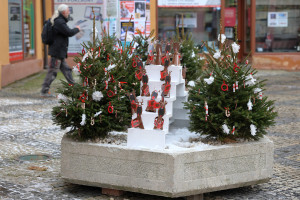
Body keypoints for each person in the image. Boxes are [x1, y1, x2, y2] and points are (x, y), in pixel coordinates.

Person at [41, 4, 80, 97]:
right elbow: (68, 32)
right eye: (68, 11)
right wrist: (77, 29)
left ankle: (74, 87)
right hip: (57, 51)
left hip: (59, 51)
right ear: (63, 12)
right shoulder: (59, 22)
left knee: (66, 70)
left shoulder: (59, 21)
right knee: (53, 71)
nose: (69, 12)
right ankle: (44, 90)